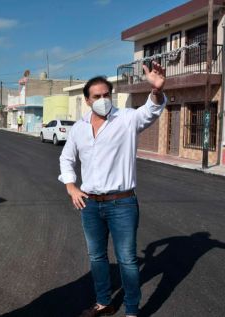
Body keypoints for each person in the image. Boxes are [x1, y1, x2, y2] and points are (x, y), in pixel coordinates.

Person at [58, 62, 166, 317]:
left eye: (107, 95)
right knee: (96, 257)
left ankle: (131, 310)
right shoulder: (79, 128)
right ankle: (104, 302)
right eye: (97, 96)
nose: (103, 100)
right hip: (90, 204)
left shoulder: (127, 118)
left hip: (122, 203)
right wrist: (71, 187)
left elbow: (150, 111)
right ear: (87, 100)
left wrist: (157, 90)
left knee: (127, 260)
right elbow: (66, 157)